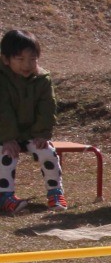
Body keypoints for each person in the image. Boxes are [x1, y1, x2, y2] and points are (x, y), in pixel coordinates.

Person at [0, 29, 67, 213]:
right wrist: (8, 137)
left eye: (32, 59)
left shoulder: (42, 79)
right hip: (4, 135)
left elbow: (47, 108)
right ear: (6, 59)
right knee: (6, 155)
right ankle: (5, 195)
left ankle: (55, 191)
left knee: (47, 152)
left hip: (30, 132)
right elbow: (2, 111)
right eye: (20, 60)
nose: (27, 65)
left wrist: (41, 134)